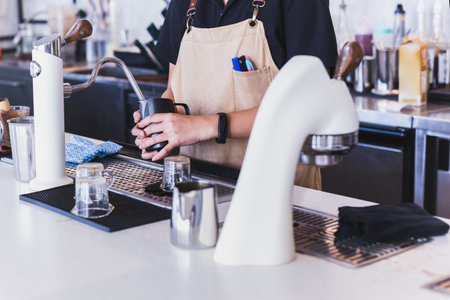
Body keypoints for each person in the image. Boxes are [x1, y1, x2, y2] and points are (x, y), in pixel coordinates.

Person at [132, 0, 337, 190]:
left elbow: (308, 103)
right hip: (195, 186)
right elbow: (174, 88)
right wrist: (159, 124)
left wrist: (206, 126)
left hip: (275, 189)